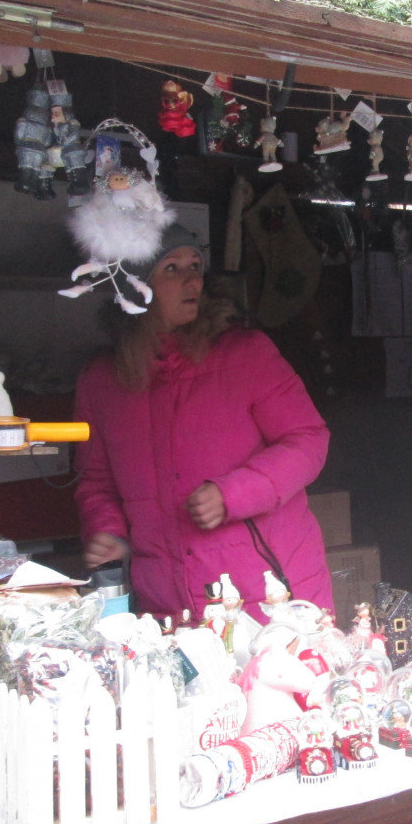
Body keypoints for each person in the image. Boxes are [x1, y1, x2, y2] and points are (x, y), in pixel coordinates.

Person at [74, 222, 332, 621]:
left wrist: (235, 494)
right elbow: (96, 480)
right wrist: (108, 531)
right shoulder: (101, 380)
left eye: (195, 265)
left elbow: (309, 441)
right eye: (172, 268)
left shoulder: (245, 355)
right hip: (167, 602)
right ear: (133, 287)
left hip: (271, 594)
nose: (192, 279)